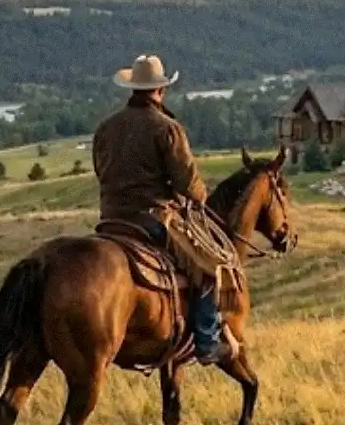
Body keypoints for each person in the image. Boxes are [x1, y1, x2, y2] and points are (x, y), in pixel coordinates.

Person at [92, 54, 239, 365]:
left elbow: (99, 171)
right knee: (209, 268)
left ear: (133, 88)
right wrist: (199, 195)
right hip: (153, 219)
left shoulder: (105, 128)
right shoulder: (167, 128)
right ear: (160, 90)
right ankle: (206, 341)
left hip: (111, 221)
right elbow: (189, 184)